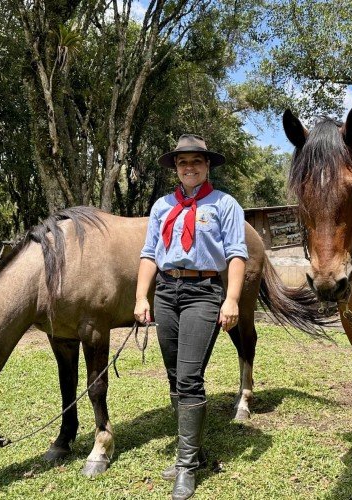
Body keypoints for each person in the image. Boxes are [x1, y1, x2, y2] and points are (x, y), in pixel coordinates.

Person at [134, 134, 248, 500]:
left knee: (189, 377)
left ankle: (186, 467)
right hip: (167, 292)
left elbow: (236, 255)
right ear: (176, 168)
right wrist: (141, 296)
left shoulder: (225, 204)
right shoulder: (162, 206)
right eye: (183, 162)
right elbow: (149, 254)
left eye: (196, 161)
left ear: (207, 165)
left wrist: (231, 299)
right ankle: (193, 451)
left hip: (205, 291)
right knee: (172, 375)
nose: (190, 167)